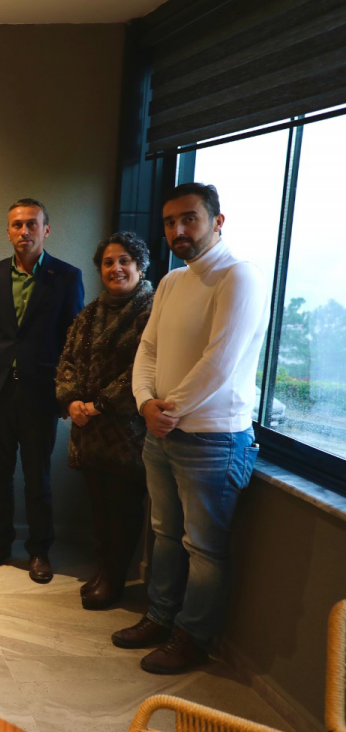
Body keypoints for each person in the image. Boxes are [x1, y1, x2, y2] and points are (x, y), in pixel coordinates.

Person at [114, 183, 266, 674]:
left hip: (212, 439)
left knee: (203, 548)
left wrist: (168, 409)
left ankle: (192, 637)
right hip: (161, 431)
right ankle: (160, 617)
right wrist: (146, 404)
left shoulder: (238, 276)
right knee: (163, 533)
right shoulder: (173, 282)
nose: (178, 230)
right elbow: (148, 349)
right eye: (169, 222)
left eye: (189, 219)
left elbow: (221, 362)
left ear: (217, 221)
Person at [0, 199, 84, 584]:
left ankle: (39, 550)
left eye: (32, 224)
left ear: (45, 230)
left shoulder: (66, 276)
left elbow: (73, 340)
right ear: (7, 232)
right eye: (17, 225)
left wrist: (67, 392)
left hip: (42, 393)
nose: (24, 231)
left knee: (38, 477)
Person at [55, 232, 154, 610]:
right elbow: (67, 359)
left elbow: (142, 370)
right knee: (99, 507)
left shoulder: (151, 310)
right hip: (89, 431)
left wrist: (98, 404)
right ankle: (103, 571)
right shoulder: (91, 312)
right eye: (109, 262)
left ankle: (114, 580)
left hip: (127, 433)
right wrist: (72, 400)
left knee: (122, 509)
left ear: (140, 266)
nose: (116, 268)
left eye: (125, 261)